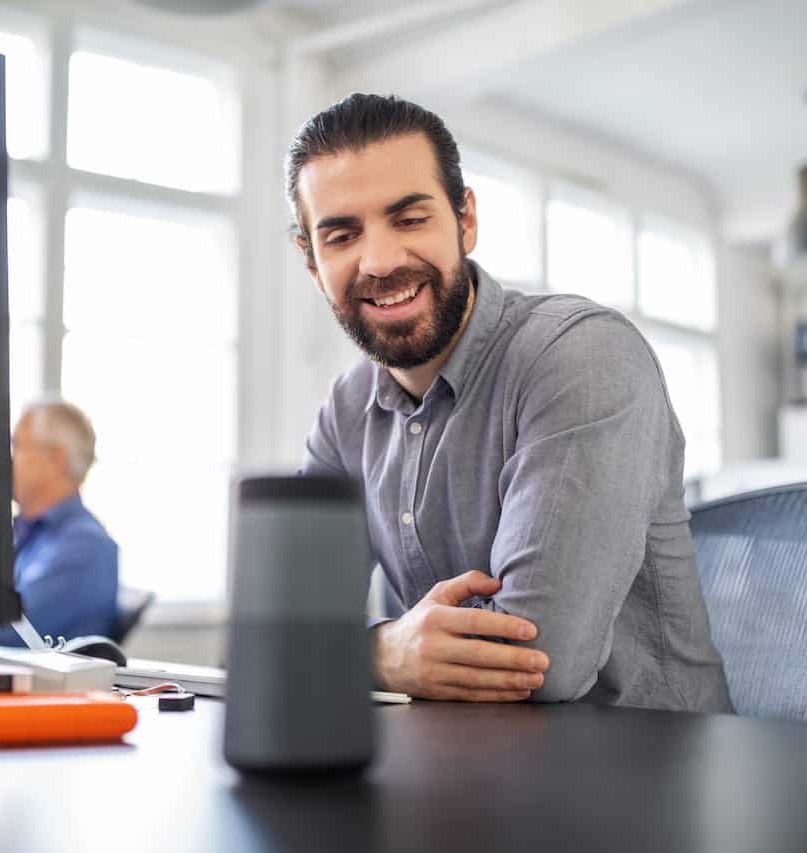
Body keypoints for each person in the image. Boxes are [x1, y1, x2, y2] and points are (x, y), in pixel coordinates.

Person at [290, 93, 732, 711]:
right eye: (342, 235)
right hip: (460, 768)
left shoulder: (581, 356)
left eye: (411, 219)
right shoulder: (347, 408)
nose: (382, 261)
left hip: (640, 777)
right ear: (312, 262)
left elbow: (538, 663)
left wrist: (360, 654)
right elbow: (282, 635)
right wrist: (386, 653)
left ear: (465, 220)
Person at [8, 398, 119, 642]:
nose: (7, 459)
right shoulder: (24, 533)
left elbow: (13, 633)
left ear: (56, 459)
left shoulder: (86, 547)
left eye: (17, 446)